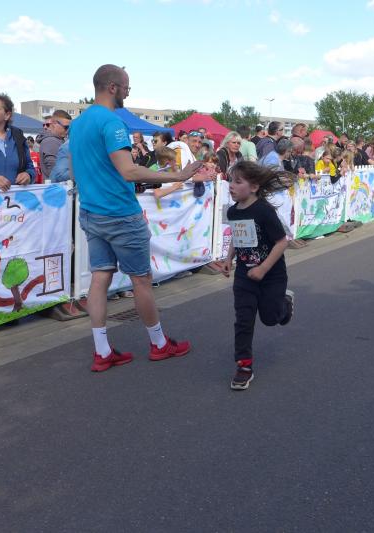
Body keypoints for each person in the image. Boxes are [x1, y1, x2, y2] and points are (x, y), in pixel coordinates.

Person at [70, 64, 213, 372]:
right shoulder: (112, 122)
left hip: (91, 211)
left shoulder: (78, 123)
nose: (127, 93)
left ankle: (102, 351)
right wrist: (178, 175)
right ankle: (159, 344)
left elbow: (75, 169)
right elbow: (129, 171)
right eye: (126, 88)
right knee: (141, 280)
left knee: (100, 278)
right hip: (120, 212)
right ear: (112, 87)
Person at [212, 161, 295, 390]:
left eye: (238, 181)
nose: (231, 185)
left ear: (254, 187)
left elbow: (282, 242)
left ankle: (285, 304)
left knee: (270, 318)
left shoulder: (264, 211)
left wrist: (263, 269)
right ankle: (244, 366)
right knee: (244, 319)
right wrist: (229, 259)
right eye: (230, 180)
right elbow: (237, 237)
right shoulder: (232, 211)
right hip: (244, 275)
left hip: (272, 274)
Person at [39, 110, 72, 178]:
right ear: (54, 124)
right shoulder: (51, 142)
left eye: (70, 127)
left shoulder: (56, 140)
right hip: (56, 184)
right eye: (66, 127)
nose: (68, 130)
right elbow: (56, 173)